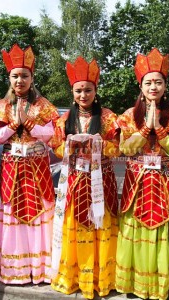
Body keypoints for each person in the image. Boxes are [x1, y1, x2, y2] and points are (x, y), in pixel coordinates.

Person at [0, 44, 59, 284]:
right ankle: (16, 270)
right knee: (14, 215)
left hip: (38, 169)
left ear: (32, 77)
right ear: (9, 78)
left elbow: (55, 136)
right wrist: (13, 125)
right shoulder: (2, 106)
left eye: (24, 75)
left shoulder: (43, 105)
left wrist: (31, 125)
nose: (20, 80)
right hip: (13, 169)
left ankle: (41, 269)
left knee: (39, 214)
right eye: (15, 76)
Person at [115, 48, 169, 299]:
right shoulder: (128, 115)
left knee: (165, 231)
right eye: (148, 82)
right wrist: (145, 127)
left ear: (165, 85)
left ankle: (163, 283)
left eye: (158, 82)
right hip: (136, 182)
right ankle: (136, 283)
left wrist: (158, 129)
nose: (153, 86)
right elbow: (124, 149)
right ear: (141, 86)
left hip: (164, 181)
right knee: (135, 228)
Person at [48, 57, 120, 299]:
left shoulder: (109, 117)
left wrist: (99, 144)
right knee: (75, 227)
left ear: (96, 90)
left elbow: (118, 148)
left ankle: (101, 279)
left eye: (88, 90)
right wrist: (69, 145)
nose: (83, 95)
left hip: (102, 179)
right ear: (73, 91)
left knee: (101, 224)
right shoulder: (65, 119)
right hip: (75, 180)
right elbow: (55, 147)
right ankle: (74, 276)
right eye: (78, 90)